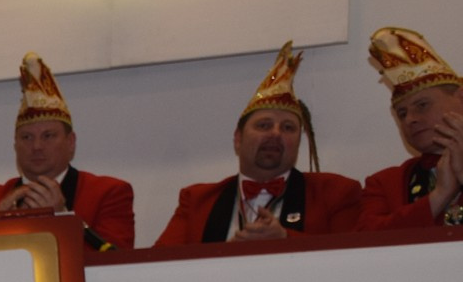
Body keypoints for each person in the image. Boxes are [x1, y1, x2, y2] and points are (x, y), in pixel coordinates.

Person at [153, 42, 363, 246]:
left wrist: (285, 240)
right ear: (238, 139)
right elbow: (161, 262)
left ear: (299, 142)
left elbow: (353, 257)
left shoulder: (335, 193)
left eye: (288, 128)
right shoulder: (197, 201)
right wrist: (225, 257)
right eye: (264, 125)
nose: (275, 133)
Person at [0, 54, 136, 252]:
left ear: (71, 142)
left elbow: (116, 262)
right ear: (15, 145)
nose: (36, 146)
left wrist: (61, 219)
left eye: (48, 136)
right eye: (27, 137)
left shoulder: (107, 194)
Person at [359, 26, 463, 232]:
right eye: (402, 113)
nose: (410, 119)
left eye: (422, 105)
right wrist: (440, 195)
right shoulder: (385, 183)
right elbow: (366, 241)